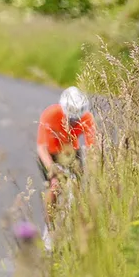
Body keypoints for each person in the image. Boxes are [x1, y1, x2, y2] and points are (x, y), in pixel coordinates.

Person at [36, 86, 96, 248]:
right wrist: (51, 168)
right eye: (70, 120)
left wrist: (93, 165)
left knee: (77, 187)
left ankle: (73, 229)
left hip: (70, 151)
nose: (73, 123)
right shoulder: (50, 114)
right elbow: (41, 147)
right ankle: (49, 228)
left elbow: (92, 146)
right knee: (55, 185)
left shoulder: (87, 118)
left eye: (76, 120)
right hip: (50, 153)